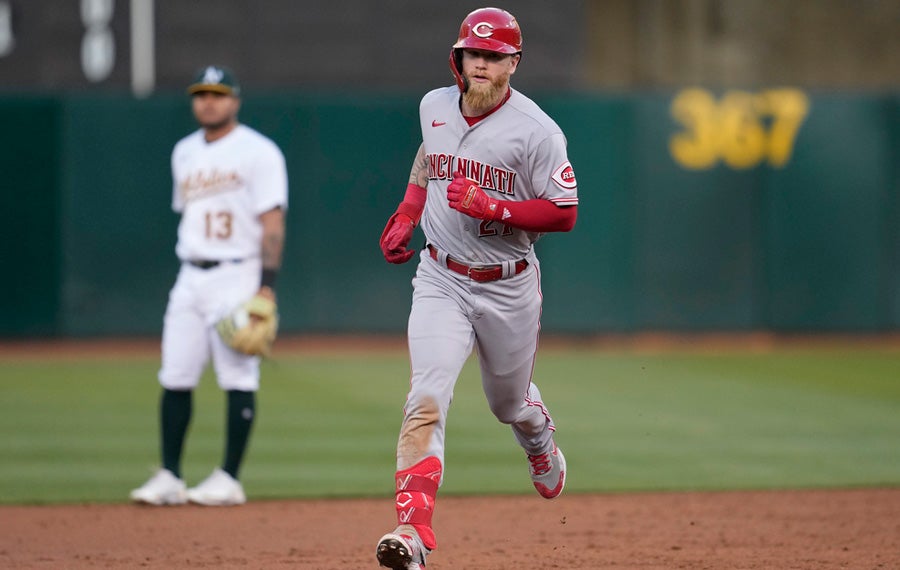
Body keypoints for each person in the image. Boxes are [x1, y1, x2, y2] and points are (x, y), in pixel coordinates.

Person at [375, 8, 578, 569]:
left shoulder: (538, 131)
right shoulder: (434, 106)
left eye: (493, 56)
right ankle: (412, 535)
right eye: (474, 53)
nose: (482, 63)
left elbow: (564, 213)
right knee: (426, 398)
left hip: (508, 285)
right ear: (458, 57)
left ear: (513, 63)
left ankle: (538, 437)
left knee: (507, 404)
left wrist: (497, 206)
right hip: (440, 276)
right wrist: (408, 209)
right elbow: (429, 157)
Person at [130, 65, 288, 506]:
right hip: (189, 275)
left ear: (234, 100)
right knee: (175, 373)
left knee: (237, 373)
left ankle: (229, 477)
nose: (209, 101)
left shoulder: (259, 152)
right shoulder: (184, 152)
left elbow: (272, 222)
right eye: (201, 94)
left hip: (238, 271)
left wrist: (266, 286)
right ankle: (169, 475)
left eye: (218, 94)